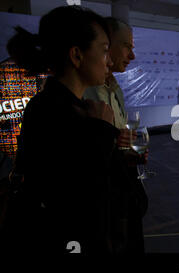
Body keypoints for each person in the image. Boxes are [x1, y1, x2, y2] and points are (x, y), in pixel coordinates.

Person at [1, 6, 119, 254]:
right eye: (105, 51)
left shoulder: (54, 103)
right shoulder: (59, 112)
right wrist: (103, 130)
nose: (110, 61)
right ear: (76, 56)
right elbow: (82, 199)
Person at [83, 17, 148, 254]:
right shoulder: (85, 89)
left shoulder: (112, 85)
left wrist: (126, 149)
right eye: (127, 47)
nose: (132, 56)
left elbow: (117, 135)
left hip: (120, 188)